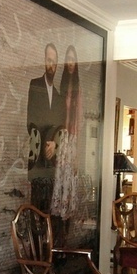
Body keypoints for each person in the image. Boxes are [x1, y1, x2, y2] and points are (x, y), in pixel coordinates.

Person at [26, 43, 66, 212]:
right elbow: (30, 120)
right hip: (37, 161)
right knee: (36, 209)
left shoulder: (58, 96)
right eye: (49, 60)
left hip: (50, 164)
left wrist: (55, 145)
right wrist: (42, 143)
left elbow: (60, 128)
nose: (51, 65)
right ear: (44, 61)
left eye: (54, 62)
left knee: (49, 209)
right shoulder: (34, 85)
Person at [50, 45, 84, 226]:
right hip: (61, 136)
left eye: (73, 59)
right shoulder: (61, 87)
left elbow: (79, 120)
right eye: (68, 59)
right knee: (60, 175)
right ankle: (58, 216)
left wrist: (77, 151)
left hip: (72, 138)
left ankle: (67, 217)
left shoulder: (78, 90)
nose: (70, 62)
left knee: (70, 175)